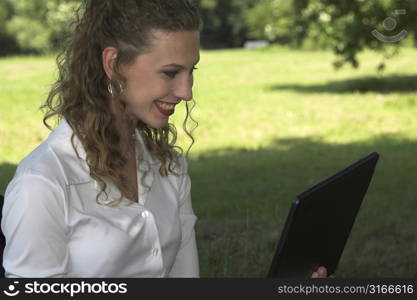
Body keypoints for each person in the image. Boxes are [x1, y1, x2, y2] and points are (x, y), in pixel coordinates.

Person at [1, 0, 327, 278]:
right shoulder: (42, 185)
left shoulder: (167, 166)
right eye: (171, 73)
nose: (186, 92)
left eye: (191, 71)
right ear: (113, 64)